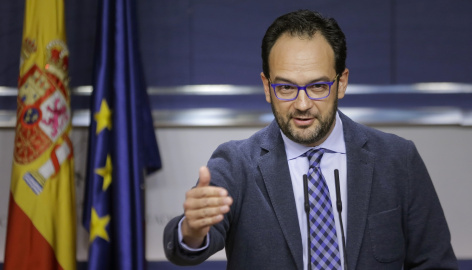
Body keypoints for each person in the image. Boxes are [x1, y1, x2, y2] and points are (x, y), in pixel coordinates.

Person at [163, 9, 457, 270]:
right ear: (267, 87)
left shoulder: (397, 160)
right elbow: (187, 247)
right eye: (286, 88)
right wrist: (191, 230)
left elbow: (435, 262)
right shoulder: (236, 164)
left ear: (341, 82)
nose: (302, 104)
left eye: (317, 86)